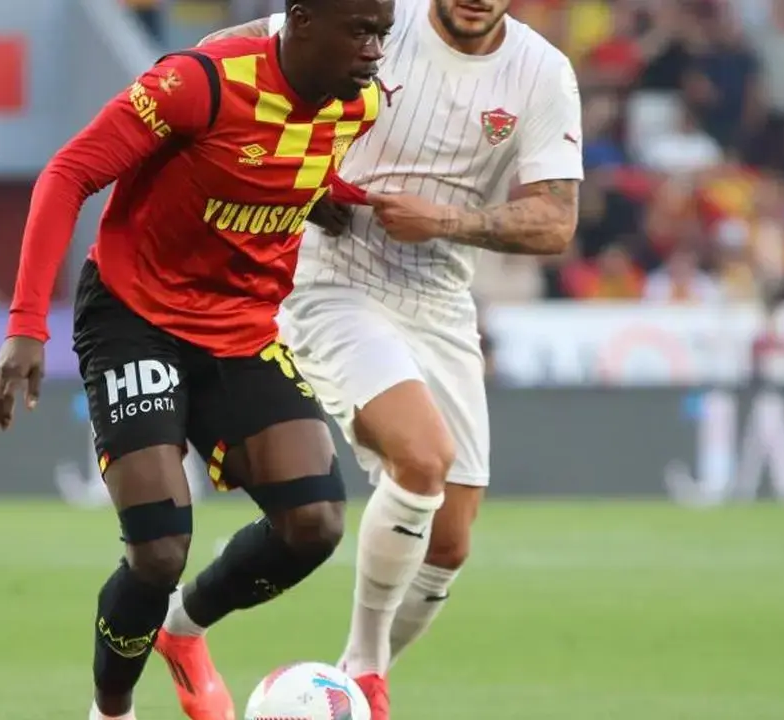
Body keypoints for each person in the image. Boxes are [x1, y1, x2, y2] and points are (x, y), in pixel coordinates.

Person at [0, 0, 391, 716]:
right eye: (360, 31)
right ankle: (112, 708)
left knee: (315, 523)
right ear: (300, 21)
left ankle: (182, 629)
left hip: (241, 329)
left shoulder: (359, 105)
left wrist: (328, 193)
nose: (375, 51)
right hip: (133, 314)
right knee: (160, 551)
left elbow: (277, 158)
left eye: (382, 33)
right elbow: (69, 172)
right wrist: (25, 325)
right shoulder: (198, 84)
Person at [193, 0, 583, 717]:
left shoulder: (541, 71)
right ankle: (369, 674)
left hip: (441, 297)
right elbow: (226, 52)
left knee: (449, 543)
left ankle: (348, 671)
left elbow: (557, 221)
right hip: (331, 277)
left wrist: (448, 220)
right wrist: (302, 177)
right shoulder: (376, 19)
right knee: (422, 458)